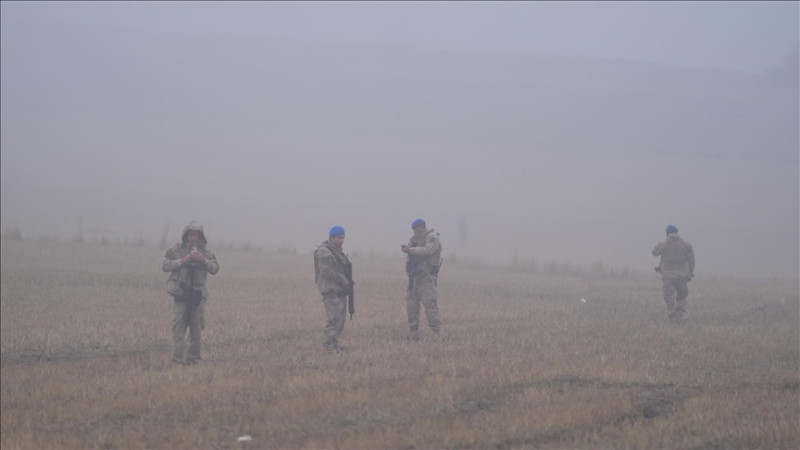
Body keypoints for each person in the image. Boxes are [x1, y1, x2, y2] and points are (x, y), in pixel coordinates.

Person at [162, 221, 220, 364]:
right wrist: (183, 260)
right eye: (191, 234)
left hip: (197, 297)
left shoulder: (206, 252)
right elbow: (165, 265)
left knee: (197, 329)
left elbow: (215, 268)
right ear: (186, 235)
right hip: (180, 295)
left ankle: (194, 359)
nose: (193, 237)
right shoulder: (176, 250)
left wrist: (203, 260)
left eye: (196, 235)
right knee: (178, 329)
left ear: (200, 236)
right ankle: (176, 360)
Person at [401, 218, 443, 341]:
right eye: (413, 230)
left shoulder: (432, 237)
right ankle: (413, 333)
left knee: (430, 305)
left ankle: (436, 333)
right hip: (414, 277)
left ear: (423, 226)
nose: (415, 232)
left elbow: (429, 250)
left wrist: (411, 250)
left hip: (427, 277)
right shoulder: (414, 239)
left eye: (416, 229)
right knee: (411, 306)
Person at [314, 226, 353, 353]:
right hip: (331, 290)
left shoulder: (337, 251)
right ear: (332, 237)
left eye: (343, 238)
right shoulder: (324, 252)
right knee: (333, 320)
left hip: (339, 290)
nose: (341, 240)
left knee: (340, 321)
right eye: (339, 238)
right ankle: (328, 347)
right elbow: (325, 271)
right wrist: (341, 278)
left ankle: (334, 344)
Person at [652, 224, 695, 323]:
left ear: (667, 233)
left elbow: (654, 252)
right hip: (683, 275)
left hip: (668, 275)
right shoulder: (686, 244)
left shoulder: (665, 243)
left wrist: (662, 243)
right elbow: (692, 260)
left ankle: (672, 317)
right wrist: (690, 272)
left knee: (669, 296)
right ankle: (680, 315)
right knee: (682, 295)